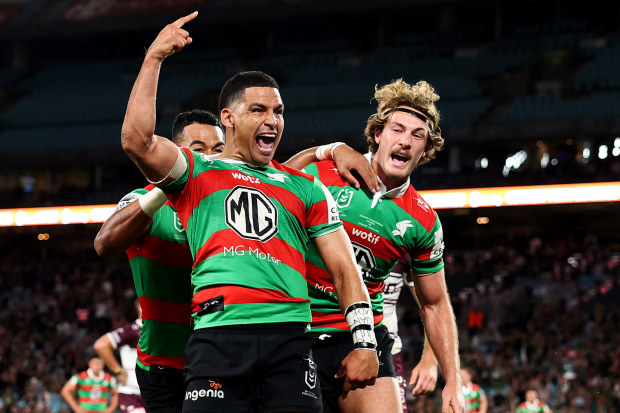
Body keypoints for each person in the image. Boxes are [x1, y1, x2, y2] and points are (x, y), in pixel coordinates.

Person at [119, 11, 378, 413]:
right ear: (228, 118)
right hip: (217, 338)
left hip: (290, 342)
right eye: (258, 110)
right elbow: (137, 141)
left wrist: (365, 341)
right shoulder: (195, 171)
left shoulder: (305, 187)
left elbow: (345, 269)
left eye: (278, 111)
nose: (272, 120)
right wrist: (154, 58)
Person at [286, 78, 465, 413]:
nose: (406, 142)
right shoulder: (325, 173)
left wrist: (452, 380)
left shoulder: (423, 221)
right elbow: (272, 184)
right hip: (297, 328)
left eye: (417, 136)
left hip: (362, 335)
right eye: (397, 129)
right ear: (378, 134)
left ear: (425, 151)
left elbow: (435, 303)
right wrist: (329, 148)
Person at [94, 108, 225, 413]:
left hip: (219, 359)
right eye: (198, 150)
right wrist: (167, 188)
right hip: (161, 365)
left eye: (218, 149)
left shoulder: (231, 201)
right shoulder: (146, 198)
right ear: (176, 153)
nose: (210, 158)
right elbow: (104, 244)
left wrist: (327, 150)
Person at [384, 254, 439, 412]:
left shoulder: (405, 243)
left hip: (386, 353)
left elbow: (433, 306)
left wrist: (430, 359)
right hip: (328, 343)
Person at [93, 300, 145, 413]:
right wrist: (118, 371)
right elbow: (101, 345)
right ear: (139, 308)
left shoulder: (159, 331)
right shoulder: (133, 330)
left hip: (155, 393)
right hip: (131, 392)